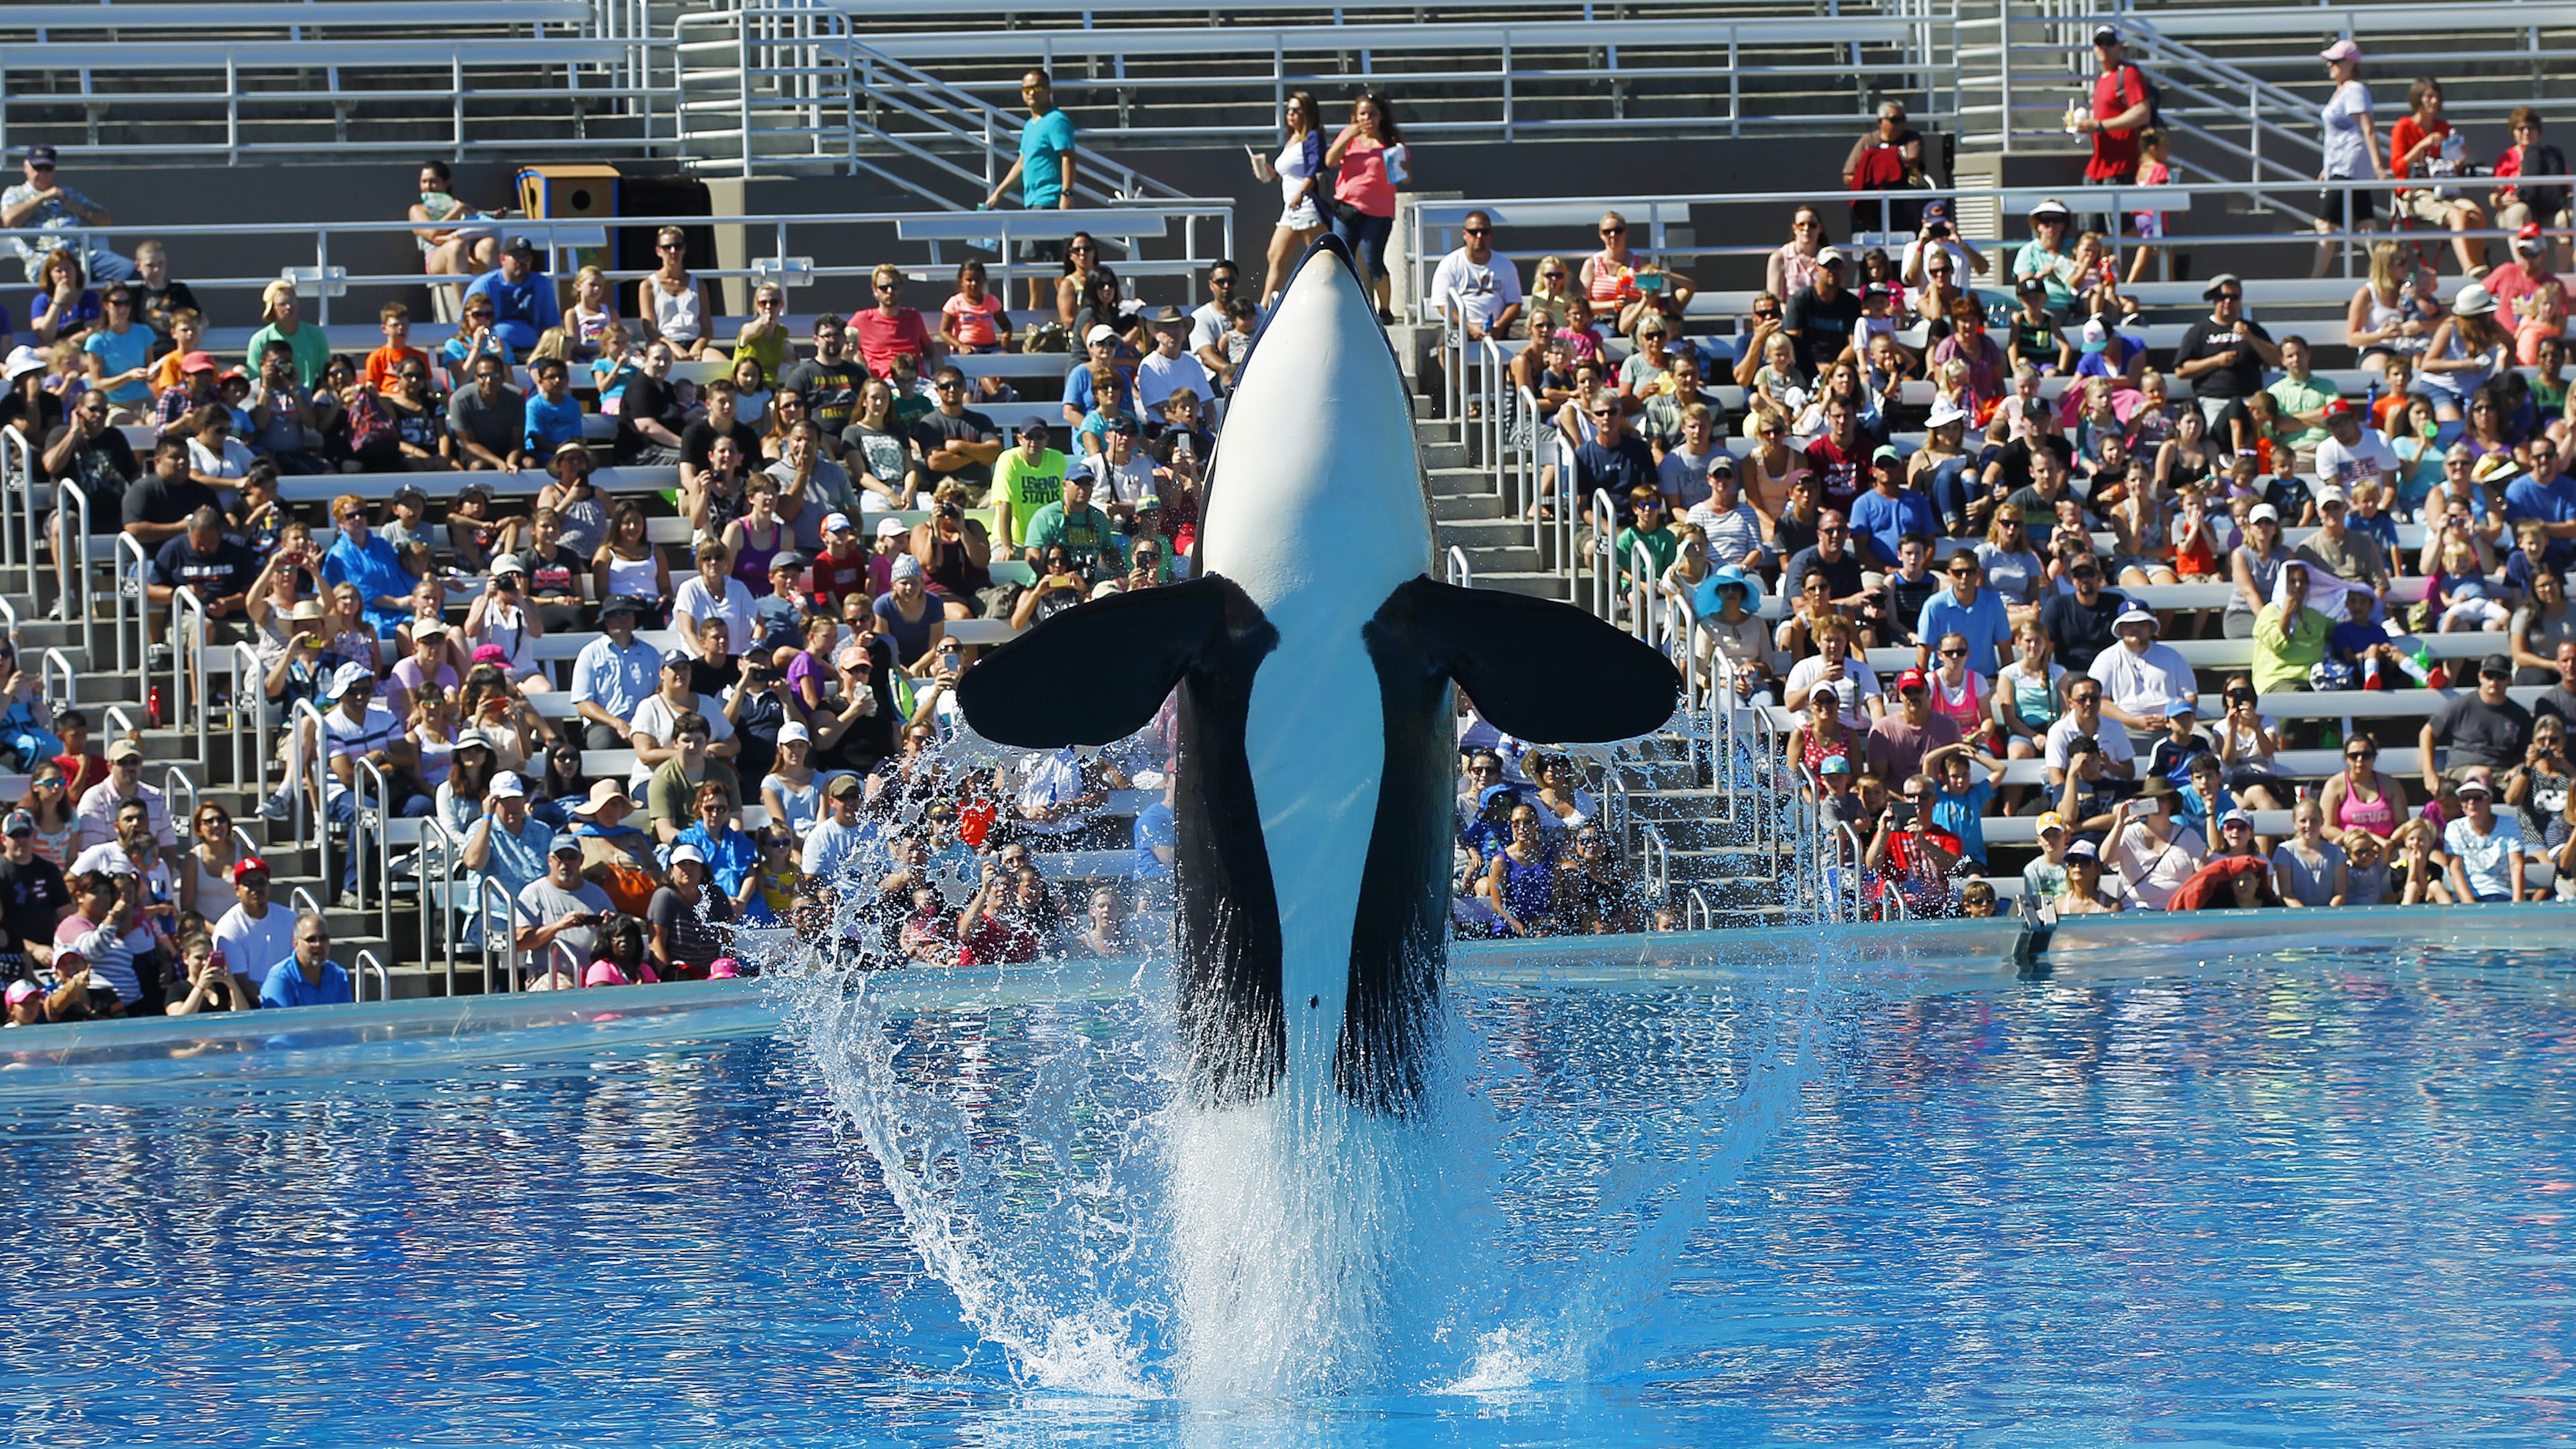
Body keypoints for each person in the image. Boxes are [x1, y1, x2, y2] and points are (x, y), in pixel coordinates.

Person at [984, 70, 1079, 309]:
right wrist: (998, 193)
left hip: (1050, 199)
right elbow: (1022, 163)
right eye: (1027, 89)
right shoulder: (1030, 125)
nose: (1031, 93)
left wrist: (1066, 194)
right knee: (1034, 258)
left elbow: (1068, 158)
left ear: (1049, 90)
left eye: (1037, 88)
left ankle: (1065, 314)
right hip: (1033, 201)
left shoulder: (1057, 120)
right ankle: (1035, 310)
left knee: (1056, 262)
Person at [2390, 78, 2489, 276]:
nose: (2434, 101)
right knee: (2458, 215)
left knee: (2476, 214)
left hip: (2446, 190)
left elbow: (2454, 168)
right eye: (2429, 97)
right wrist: (2422, 145)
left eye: (2437, 97)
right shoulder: (2403, 127)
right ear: (2418, 99)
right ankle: (2469, 269)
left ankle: (2480, 269)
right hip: (2415, 193)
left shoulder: (2444, 127)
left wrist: (2459, 160)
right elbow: (2397, 167)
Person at [2171, 274, 2280, 452]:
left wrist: (2252, 339)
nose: (2228, 301)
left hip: (2249, 401)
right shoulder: (2199, 331)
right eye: (2222, 297)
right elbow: (2181, 370)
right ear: (2214, 300)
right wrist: (2216, 361)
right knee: (2214, 439)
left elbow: (2277, 359)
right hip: (2212, 401)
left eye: (2234, 297)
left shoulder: (2252, 329)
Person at [1325, 91, 1404, 322]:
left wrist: (1404, 167)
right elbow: (1329, 161)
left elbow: (1404, 175)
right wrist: (1350, 134)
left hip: (1378, 211)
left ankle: (1385, 309)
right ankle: (1342, 305)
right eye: (1362, 114)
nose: (1367, 119)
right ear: (1355, 116)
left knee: (1373, 261)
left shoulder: (1390, 140)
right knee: (1339, 257)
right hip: (1347, 207)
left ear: (1381, 116)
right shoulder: (1349, 137)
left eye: (1372, 114)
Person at [1, 145, 129, 286]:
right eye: (38, 168)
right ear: (26, 167)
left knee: (129, 271)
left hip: (81, 257)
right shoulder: (14, 193)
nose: (42, 174)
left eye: (47, 169)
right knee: (69, 281)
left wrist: (81, 210)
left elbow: (106, 221)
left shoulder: (68, 193)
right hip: (45, 261)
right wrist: (42, 198)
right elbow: (9, 220)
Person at [2312, 40, 2384, 276]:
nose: (2330, 65)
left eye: (2336, 60)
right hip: (2342, 167)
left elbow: (2368, 128)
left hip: (2349, 167)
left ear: (2351, 64)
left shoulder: (2354, 90)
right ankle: (2387, 276)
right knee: (2367, 226)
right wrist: (2327, 168)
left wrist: (2378, 167)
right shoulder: (2342, 91)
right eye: (2329, 61)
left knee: (2325, 224)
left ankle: (2315, 281)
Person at [1254, 92, 1328, 305]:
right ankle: (1266, 307)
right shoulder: (1292, 139)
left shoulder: (1313, 137)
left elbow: (1313, 171)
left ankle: (1322, 301)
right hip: (1291, 208)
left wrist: (1302, 193)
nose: (1291, 114)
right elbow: (1289, 174)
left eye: (1297, 110)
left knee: (1319, 258)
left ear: (1308, 112)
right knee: (1275, 256)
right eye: (1289, 109)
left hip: (1307, 206)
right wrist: (1270, 172)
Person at [2068, 26, 2156, 189]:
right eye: (2099, 43)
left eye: (2110, 42)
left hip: (2122, 167)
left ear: (2120, 46)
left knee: (2114, 214)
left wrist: (2101, 126)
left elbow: (2142, 113)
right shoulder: (2102, 78)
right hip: (2100, 166)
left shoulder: (2128, 74)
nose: (2104, 47)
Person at [1430, 209, 1523, 343]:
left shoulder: (1505, 265)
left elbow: (1515, 303)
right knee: (1446, 343)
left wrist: (1500, 325)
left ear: (1491, 235)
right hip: (1463, 326)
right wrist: (1469, 326)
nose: (1479, 236)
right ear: (1465, 234)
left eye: (1484, 232)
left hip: (1499, 326)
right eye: (1473, 232)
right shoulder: (1449, 264)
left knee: (1531, 337)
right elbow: (1442, 305)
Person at [211, 862, 293, 999]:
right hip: (253, 1002)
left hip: (289, 993)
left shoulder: (290, 918)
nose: (256, 888)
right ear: (237, 891)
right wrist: (270, 1004)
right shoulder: (228, 928)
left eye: (261, 882)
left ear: (269, 886)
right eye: (249, 883)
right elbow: (240, 981)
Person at [2445, 775, 2528, 902]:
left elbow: (2516, 865)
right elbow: (2455, 868)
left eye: (2478, 798)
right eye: (2466, 798)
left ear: (2489, 800)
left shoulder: (2509, 823)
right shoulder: (2454, 827)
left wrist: (2517, 904)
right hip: (2468, 898)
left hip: (2503, 895)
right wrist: (2469, 905)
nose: (2471, 803)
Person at [258, 912, 353, 1008]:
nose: (318, 944)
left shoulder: (338, 975)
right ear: (296, 944)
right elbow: (278, 1022)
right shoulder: (279, 979)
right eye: (311, 939)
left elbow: (348, 1019)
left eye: (323, 938)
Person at [2271, 798, 2350, 908]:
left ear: (2322, 821)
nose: (2309, 825)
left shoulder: (2336, 852)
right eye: (2303, 821)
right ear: (2295, 823)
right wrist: (2306, 915)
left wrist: (2326, 914)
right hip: (2296, 915)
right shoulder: (2285, 852)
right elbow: (2287, 894)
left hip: (2329, 915)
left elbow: (2340, 893)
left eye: (2314, 820)